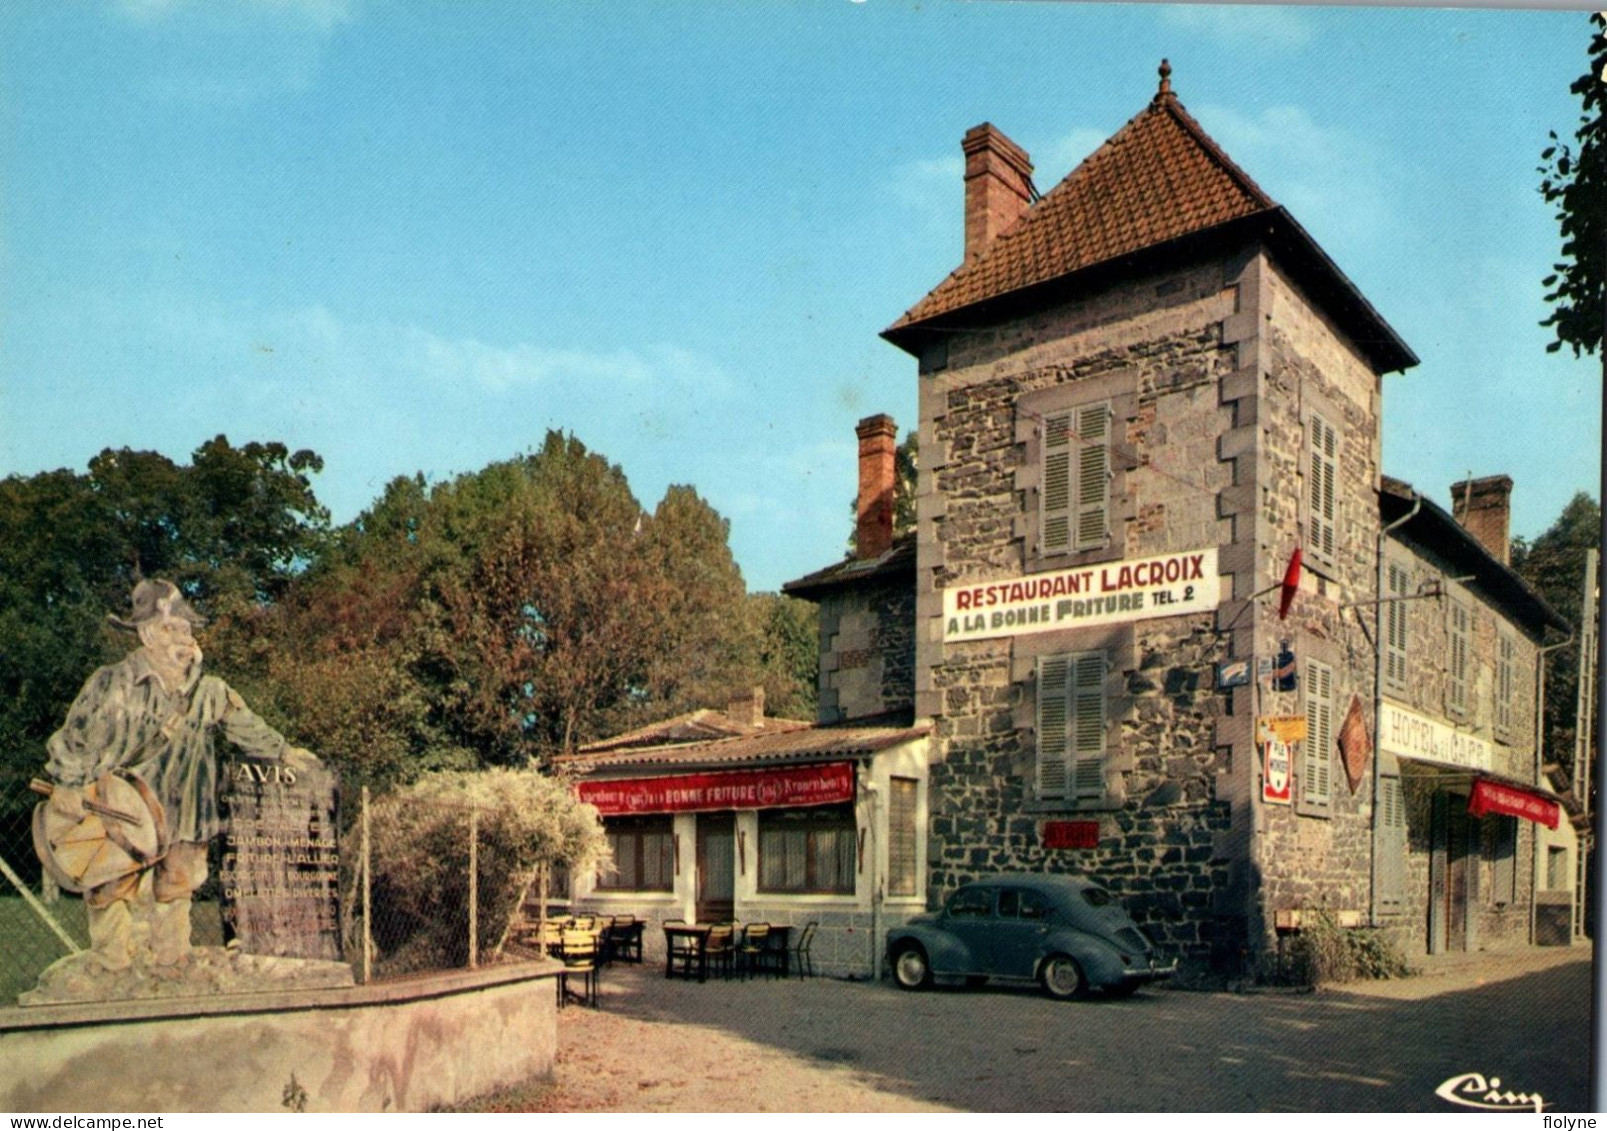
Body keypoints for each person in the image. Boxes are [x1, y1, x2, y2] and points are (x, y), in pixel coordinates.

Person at [42, 578, 318, 972]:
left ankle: (171, 961)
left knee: (180, 881)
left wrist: (283, 751)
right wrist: (67, 783)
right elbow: (78, 734)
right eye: (173, 629)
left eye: (187, 630)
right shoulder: (114, 682)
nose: (184, 639)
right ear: (147, 634)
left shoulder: (209, 691)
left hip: (189, 807)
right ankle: (112, 967)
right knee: (111, 884)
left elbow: (243, 724)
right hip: (123, 810)